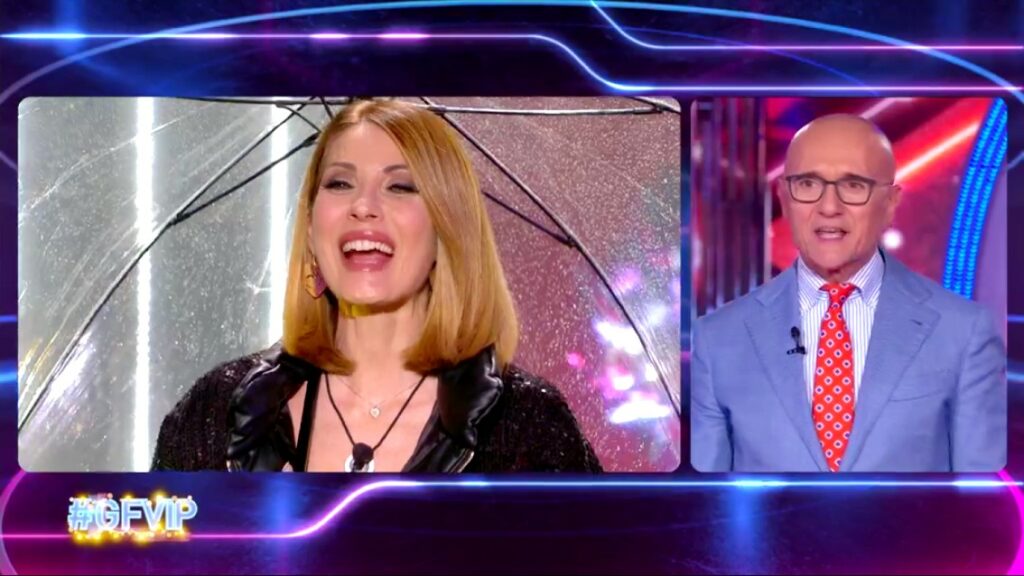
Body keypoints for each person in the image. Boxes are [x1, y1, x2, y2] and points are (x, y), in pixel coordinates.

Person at [151, 99, 601, 473]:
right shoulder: (217, 415)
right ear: (311, 226)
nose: (363, 206)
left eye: (400, 187)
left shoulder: (528, 429)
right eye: (340, 183)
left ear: (447, 228)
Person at [691, 114, 1006, 473]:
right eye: (808, 184)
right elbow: (704, 498)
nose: (829, 207)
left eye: (854, 186)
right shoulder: (717, 340)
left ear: (890, 203)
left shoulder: (965, 332)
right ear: (784, 197)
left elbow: (983, 496)